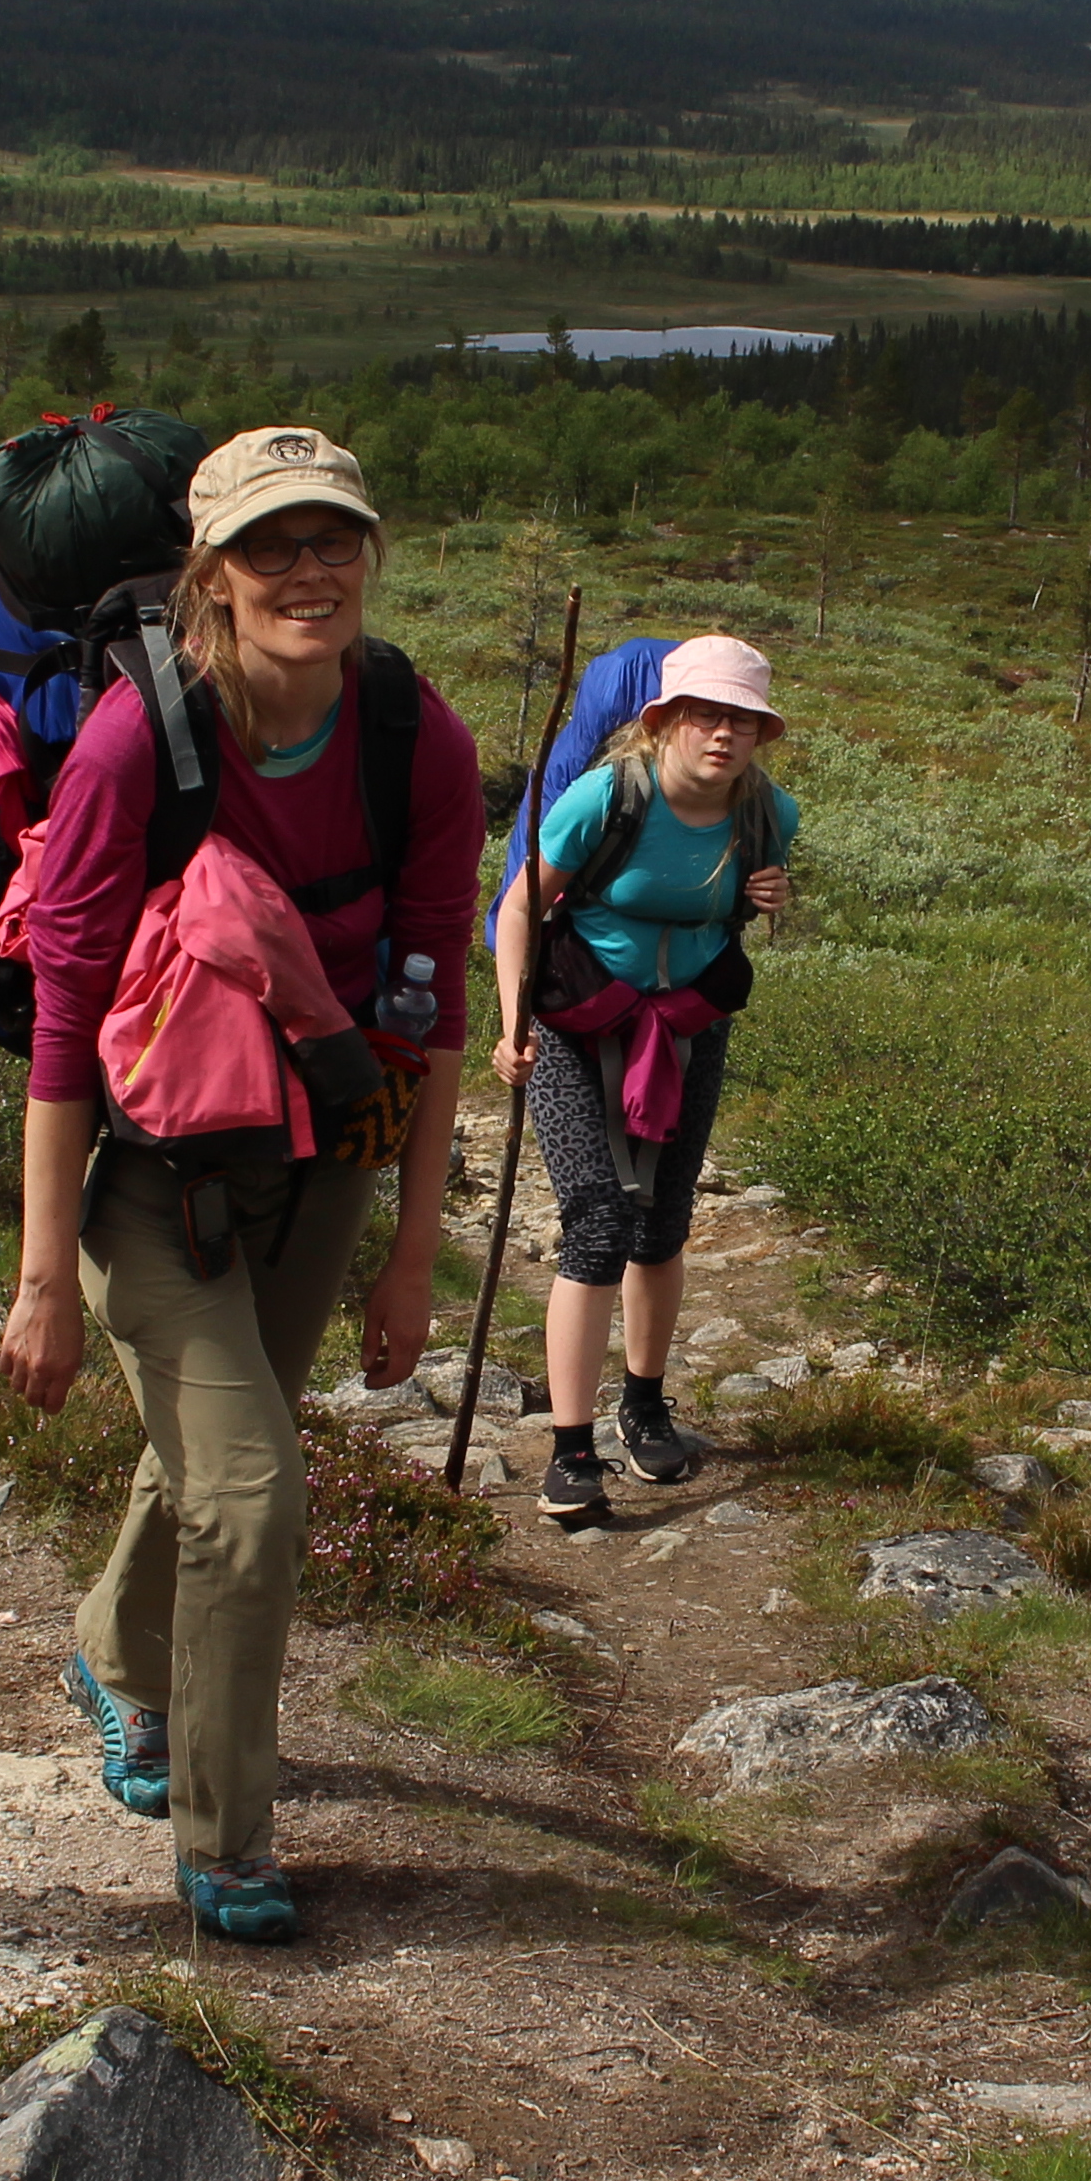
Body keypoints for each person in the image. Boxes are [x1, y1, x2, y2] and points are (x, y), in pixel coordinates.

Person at [0, 428, 477, 1943]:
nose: (310, 571)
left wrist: (413, 1254)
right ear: (210, 571)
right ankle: (227, 1839)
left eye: (334, 539)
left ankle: (113, 1656)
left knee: (221, 1449)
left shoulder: (414, 735)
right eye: (272, 547)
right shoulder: (140, 744)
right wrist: (39, 1278)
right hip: (148, 1169)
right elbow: (65, 1024)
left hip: (323, 1152)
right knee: (257, 1497)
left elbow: (436, 1012)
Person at [489, 635, 793, 1531]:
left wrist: (764, 894)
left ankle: (645, 1406)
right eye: (706, 714)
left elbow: (742, 904)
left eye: (743, 720)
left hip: (688, 1028)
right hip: (575, 1023)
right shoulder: (607, 796)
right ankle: (570, 1452)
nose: (723, 735)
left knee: (662, 1224)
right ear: (663, 719)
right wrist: (509, 1027)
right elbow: (518, 907)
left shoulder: (766, 813)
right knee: (596, 1220)